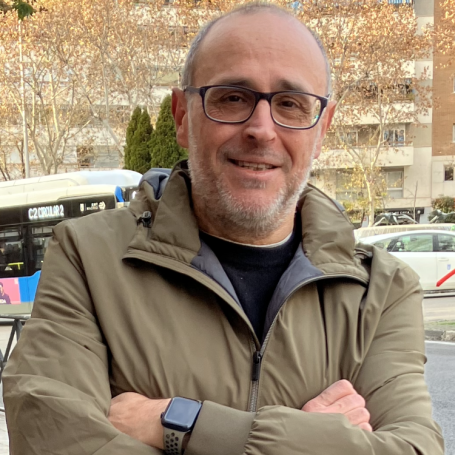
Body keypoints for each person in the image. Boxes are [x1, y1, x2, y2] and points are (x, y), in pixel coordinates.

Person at [3, 3, 444, 455]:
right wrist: (316, 439)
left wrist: (182, 422)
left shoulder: (381, 291)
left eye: (291, 104)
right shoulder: (88, 258)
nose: (261, 129)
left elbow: (415, 448)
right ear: (181, 117)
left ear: (322, 130)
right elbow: (48, 438)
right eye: (232, 98)